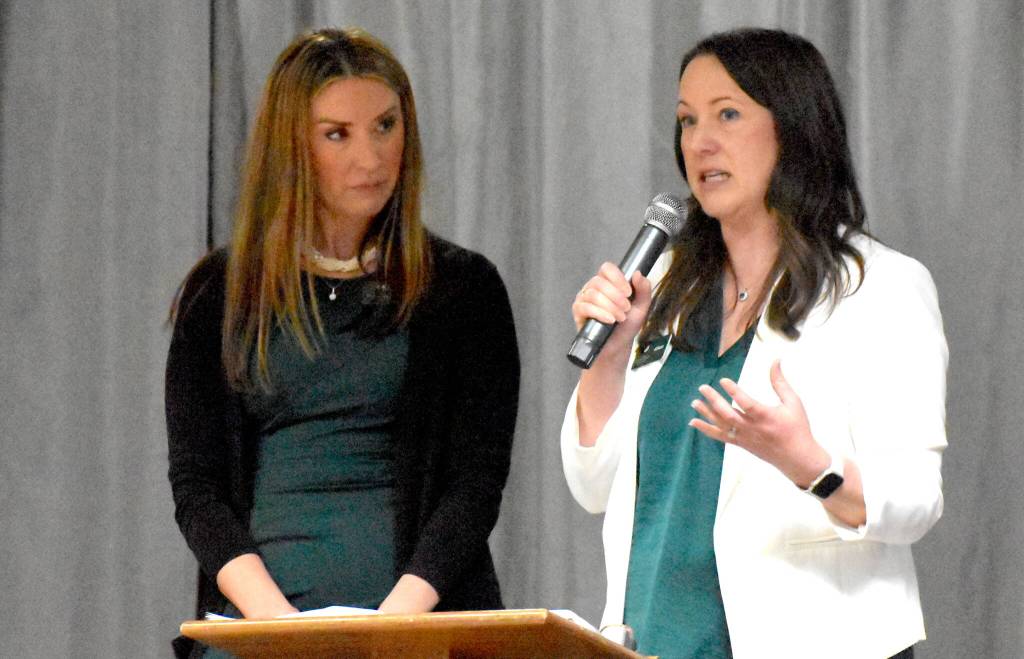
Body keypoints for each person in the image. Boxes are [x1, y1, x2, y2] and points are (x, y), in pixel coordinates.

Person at [562, 28, 946, 659]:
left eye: (728, 114)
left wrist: (810, 465)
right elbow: (593, 485)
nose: (699, 142)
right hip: (653, 640)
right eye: (687, 121)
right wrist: (606, 358)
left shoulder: (881, 287)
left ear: (793, 128)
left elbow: (916, 499)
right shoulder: (664, 284)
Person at [166, 27, 519, 658]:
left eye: (386, 126)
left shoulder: (464, 289)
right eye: (339, 135)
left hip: (416, 624)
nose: (372, 157)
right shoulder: (217, 294)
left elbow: (474, 487)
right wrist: (280, 631)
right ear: (291, 148)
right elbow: (199, 492)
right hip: (262, 625)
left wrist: (386, 631)